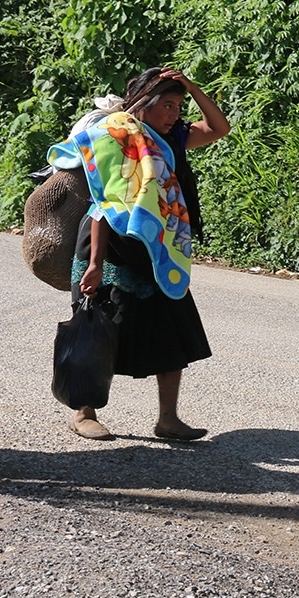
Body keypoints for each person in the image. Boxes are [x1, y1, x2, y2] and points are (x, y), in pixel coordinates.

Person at [50, 67, 229, 441]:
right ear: (142, 106)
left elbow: (218, 128)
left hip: (158, 247)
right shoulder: (118, 138)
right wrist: (96, 263)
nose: (174, 113)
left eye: (178, 105)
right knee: (99, 325)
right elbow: (104, 202)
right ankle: (83, 413)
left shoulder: (174, 138)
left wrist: (192, 87)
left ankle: (168, 419)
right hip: (111, 245)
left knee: (173, 325)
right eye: (167, 104)